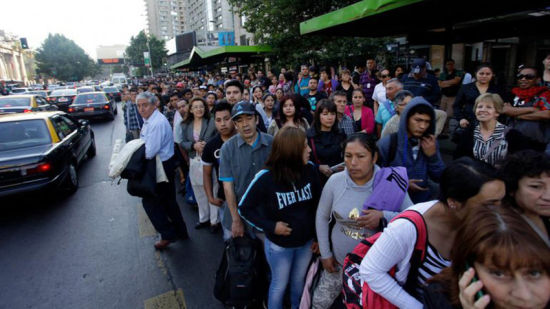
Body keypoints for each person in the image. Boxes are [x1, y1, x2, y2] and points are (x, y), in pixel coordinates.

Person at [360, 157, 506, 309]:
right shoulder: (407, 228)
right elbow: (371, 271)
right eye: (490, 204)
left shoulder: (487, 226)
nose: (501, 212)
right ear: (453, 202)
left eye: (502, 201)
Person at [313, 133, 413, 308]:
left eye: (360, 156)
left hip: (374, 272)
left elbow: (413, 221)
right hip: (337, 263)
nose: (353, 163)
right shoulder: (335, 181)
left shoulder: (390, 183)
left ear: (374, 157)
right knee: (319, 303)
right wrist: (326, 253)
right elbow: (322, 216)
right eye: (348, 156)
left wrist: (383, 216)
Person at [239, 126, 321, 309]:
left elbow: (318, 206)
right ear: (291, 151)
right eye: (304, 146)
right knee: (279, 285)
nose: (309, 150)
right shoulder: (266, 177)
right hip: (279, 247)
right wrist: (270, 226)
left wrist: (317, 236)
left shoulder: (310, 170)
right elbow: (244, 208)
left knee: (299, 283)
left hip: (306, 243)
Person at [422, 205, 550, 309]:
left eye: (534, 273)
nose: (525, 295)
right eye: (499, 274)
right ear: (469, 271)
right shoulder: (440, 297)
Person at [136, 92, 189, 249]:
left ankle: (167, 234)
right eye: (138, 105)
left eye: (145, 105)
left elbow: (149, 152)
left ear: (154, 105)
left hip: (161, 166)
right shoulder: (149, 120)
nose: (141, 109)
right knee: (168, 201)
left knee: (151, 202)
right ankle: (180, 231)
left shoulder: (157, 123)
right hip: (160, 165)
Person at [219, 102, 274, 238]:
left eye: (249, 118)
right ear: (235, 125)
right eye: (239, 120)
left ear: (256, 119)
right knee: (239, 256)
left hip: (266, 216)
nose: (245, 124)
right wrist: (236, 220)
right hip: (237, 216)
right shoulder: (227, 148)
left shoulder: (272, 144)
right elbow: (228, 187)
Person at [377, 97, 445, 203]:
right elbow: (374, 176)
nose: (422, 126)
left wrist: (433, 156)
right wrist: (402, 183)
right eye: (418, 120)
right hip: (393, 204)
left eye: (427, 122)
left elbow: (440, 177)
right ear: (406, 118)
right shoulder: (388, 143)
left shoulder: (429, 143)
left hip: (421, 206)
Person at [178, 97, 216, 230]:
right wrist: (194, 146)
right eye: (196, 107)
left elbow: (217, 138)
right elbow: (182, 142)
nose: (199, 109)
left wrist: (207, 145)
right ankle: (203, 218)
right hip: (194, 160)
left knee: (212, 189)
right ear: (191, 109)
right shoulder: (185, 124)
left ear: (205, 108)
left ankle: (214, 221)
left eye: (201, 106)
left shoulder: (211, 121)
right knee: (198, 190)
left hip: (209, 161)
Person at [202, 101, 236, 237]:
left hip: (249, 197)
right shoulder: (211, 145)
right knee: (230, 237)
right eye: (218, 120)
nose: (223, 124)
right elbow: (206, 174)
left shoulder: (245, 138)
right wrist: (210, 197)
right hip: (225, 199)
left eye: (227, 119)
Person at [499, 150, 550, 239]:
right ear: (512, 189)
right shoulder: (502, 229)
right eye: (536, 186)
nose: (548, 197)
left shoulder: (543, 216)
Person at [453, 93, 511, 166]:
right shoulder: (468, 133)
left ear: (497, 112)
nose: (483, 110)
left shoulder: (511, 134)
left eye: (489, 107)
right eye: (480, 107)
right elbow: (458, 160)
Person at [503, 66, 550, 152]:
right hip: (511, 139)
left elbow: (546, 114)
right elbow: (506, 110)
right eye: (520, 76)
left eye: (529, 77)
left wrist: (517, 115)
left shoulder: (545, 94)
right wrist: (533, 109)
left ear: (538, 79)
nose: (523, 79)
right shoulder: (511, 94)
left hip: (536, 142)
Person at [453, 63, 504, 140]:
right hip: (468, 123)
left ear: (492, 75)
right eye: (481, 73)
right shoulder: (466, 88)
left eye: (487, 74)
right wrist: (461, 118)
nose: (484, 76)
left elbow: (501, 107)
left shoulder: (497, 90)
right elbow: (457, 105)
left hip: (490, 124)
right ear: (476, 74)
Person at [306, 99, 347, 186]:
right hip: (317, 180)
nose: (330, 117)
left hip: (338, 179)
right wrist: (318, 167)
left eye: (332, 114)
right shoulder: (309, 136)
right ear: (318, 115)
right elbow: (304, 160)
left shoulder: (340, 134)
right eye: (325, 114)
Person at [438, 59, 464, 135]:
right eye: (448, 64)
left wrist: (445, 83)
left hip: (453, 96)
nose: (450, 66)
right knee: (442, 113)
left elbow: (456, 81)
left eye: (451, 64)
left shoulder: (458, 72)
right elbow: (440, 84)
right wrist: (450, 83)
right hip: (444, 96)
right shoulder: (443, 73)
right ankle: (443, 130)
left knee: (449, 114)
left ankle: (445, 129)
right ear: (446, 65)